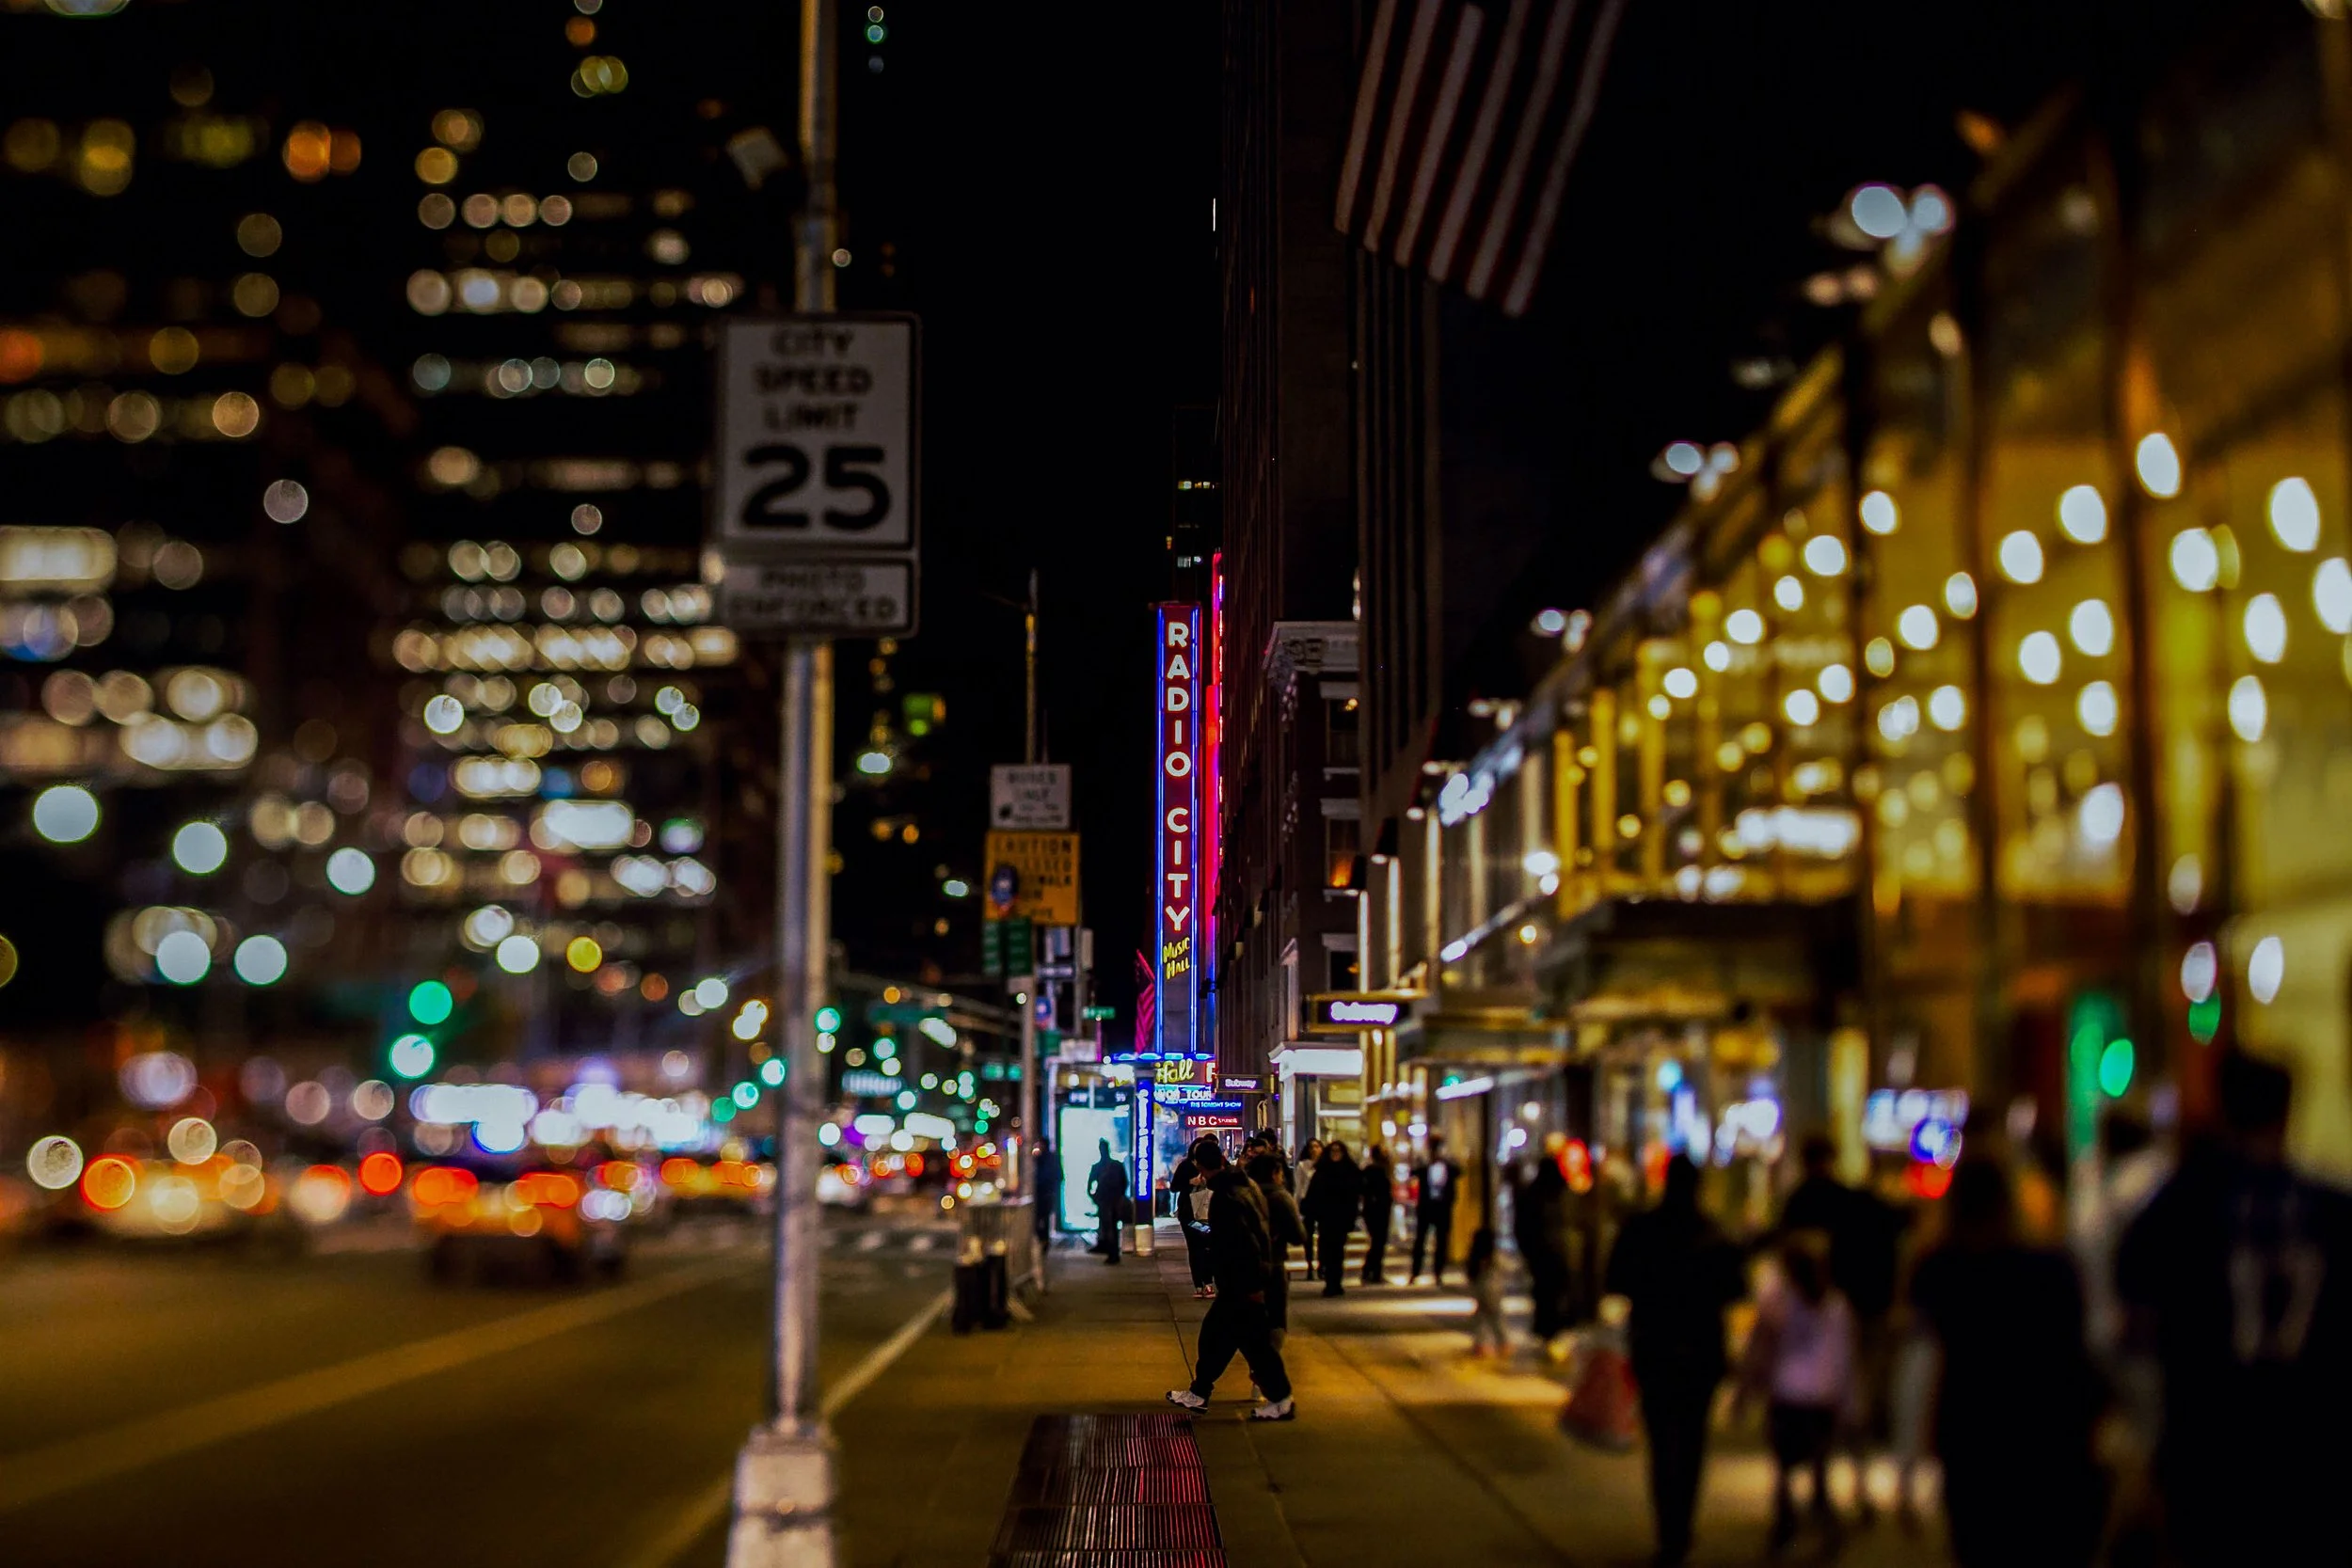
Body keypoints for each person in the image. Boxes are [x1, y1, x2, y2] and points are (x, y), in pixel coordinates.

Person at [2118, 1050, 2352, 1567]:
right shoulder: (2334, 1212)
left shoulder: (2175, 1213)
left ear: (2220, 1111)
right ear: (2287, 1113)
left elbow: (2135, 1337)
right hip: (2315, 1458)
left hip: (2208, 1455)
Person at [1910, 1158, 2102, 1567]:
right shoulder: (2052, 1269)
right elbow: (2079, 1356)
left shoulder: (1939, 1270)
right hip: (2048, 1438)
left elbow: (1924, 1363)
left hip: (1972, 1438)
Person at [1604, 1153, 1746, 1568]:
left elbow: (1616, 1280)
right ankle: (1682, 1526)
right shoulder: (1713, 1233)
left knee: (1662, 1439)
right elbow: (1736, 1289)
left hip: (1654, 1346)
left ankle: (1668, 1530)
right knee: (1693, 1439)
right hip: (1702, 1349)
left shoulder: (1642, 1230)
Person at [1773, 1132, 1900, 1523]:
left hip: (1809, 1322)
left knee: (1812, 1408)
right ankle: (1853, 1486)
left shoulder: (1797, 1204)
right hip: (1852, 1314)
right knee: (1851, 1402)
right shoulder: (1851, 1201)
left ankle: (1811, 1488)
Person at [1739, 1235, 1856, 1553]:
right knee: (1819, 1467)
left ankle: (1784, 1525)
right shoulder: (1836, 1305)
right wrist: (1848, 1402)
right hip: (1822, 1397)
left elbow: (1760, 1349)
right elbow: (1843, 1358)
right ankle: (1826, 1525)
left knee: (1784, 1468)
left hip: (1787, 1393)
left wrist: (1746, 1390)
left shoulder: (1778, 1302)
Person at [1167, 1140, 1296, 1420]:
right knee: (1228, 1340)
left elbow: (1244, 1242)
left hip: (1242, 1282)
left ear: (1200, 1167)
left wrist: (1252, 1285)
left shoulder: (1227, 1196)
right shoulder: (1242, 1186)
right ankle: (1201, 1392)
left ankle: (1279, 1399)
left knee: (1245, 1343)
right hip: (1244, 1281)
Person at [1248, 1150, 1306, 1346]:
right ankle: (1269, 1361)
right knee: (1274, 1321)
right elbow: (1298, 1236)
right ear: (1274, 1173)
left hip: (1244, 1267)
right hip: (1273, 1265)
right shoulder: (1280, 1197)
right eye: (1280, 1173)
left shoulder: (1243, 1194)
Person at [1515, 1148, 1573, 1341]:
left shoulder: (1531, 1194)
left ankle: (1545, 1325)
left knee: (1543, 1288)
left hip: (1539, 1251)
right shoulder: (1562, 1193)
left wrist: (1526, 1250)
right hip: (1557, 1250)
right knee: (1556, 1289)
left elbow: (1521, 1226)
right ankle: (1553, 1325)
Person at [1306, 1140, 1363, 1295]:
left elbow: (1355, 1194)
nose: (1336, 1154)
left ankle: (1335, 1281)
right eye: (1333, 1151)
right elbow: (1313, 1195)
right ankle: (1330, 1280)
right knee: (1327, 1248)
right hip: (1326, 1217)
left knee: (1338, 1250)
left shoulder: (1349, 1172)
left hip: (1342, 1217)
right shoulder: (1322, 1172)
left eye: (1339, 1151)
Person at [1169, 1140, 1215, 1295]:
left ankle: (1208, 1282)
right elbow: (1174, 1187)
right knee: (1195, 1247)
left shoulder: (1211, 1167)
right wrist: (1189, 1182)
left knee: (1206, 1246)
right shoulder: (1185, 1166)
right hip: (1189, 1216)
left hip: (1206, 1216)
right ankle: (1199, 1284)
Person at [1465, 1226, 1510, 1356]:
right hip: (1494, 1291)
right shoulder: (1494, 1256)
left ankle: (1481, 1345)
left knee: (1481, 1318)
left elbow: (1470, 1275)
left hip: (1480, 1290)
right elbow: (1506, 1267)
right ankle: (1503, 1343)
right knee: (1497, 1318)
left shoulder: (1474, 1257)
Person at [1086, 1139, 1128, 1265]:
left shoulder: (1101, 1166)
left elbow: (1089, 1185)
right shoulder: (1115, 1165)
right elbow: (1124, 1183)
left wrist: (1095, 1196)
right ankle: (1111, 1251)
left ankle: (1111, 1251)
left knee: (1108, 1226)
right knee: (1110, 1226)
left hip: (1107, 1200)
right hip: (1111, 1199)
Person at [1360, 1143, 1395, 1284]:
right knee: (1378, 1241)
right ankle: (1372, 1271)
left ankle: (1371, 1270)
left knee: (1377, 1241)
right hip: (1377, 1210)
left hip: (1375, 1209)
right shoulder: (1376, 1170)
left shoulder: (1375, 1169)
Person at [1296, 1137, 1326, 1278]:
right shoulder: (1303, 1166)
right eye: (1311, 1147)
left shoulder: (1325, 1166)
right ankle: (1309, 1264)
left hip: (1322, 1202)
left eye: (1317, 1146)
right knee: (1308, 1236)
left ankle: (1321, 1264)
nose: (1314, 1150)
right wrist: (1297, 1207)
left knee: (1323, 1235)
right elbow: (1299, 1187)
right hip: (1308, 1202)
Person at [1031, 1137, 1060, 1252]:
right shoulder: (1050, 1158)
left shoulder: (1043, 1159)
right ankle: (1044, 1240)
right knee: (1043, 1218)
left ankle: (1043, 1240)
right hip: (1047, 1193)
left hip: (1044, 1193)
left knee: (1040, 1218)